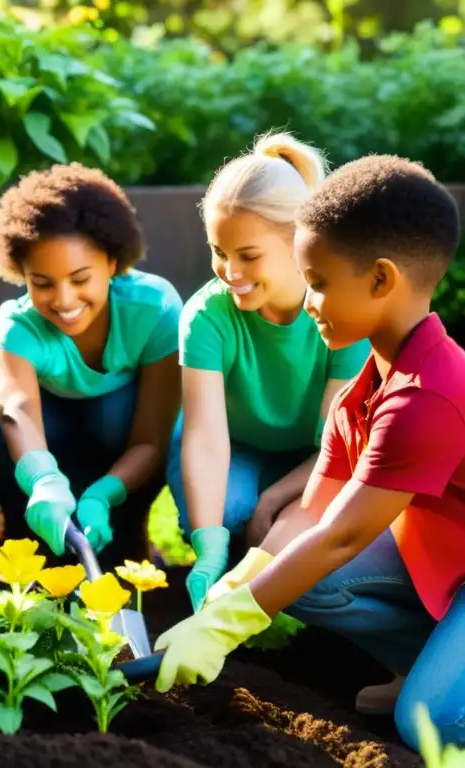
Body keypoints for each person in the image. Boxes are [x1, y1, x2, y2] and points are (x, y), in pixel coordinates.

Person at [153, 154, 465, 753]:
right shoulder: (364, 388)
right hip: (443, 553)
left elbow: (342, 537)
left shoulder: (427, 397)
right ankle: (438, 666)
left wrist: (227, 626)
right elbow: (310, 512)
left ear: (380, 279)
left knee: (428, 723)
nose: (310, 302)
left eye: (318, 283)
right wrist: (231, 590)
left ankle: (441, 687)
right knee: (298, 577)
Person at [167, 132, 371, 611]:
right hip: (234, 447)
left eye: (248, 256)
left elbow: (336, 446)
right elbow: (204, 436)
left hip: (312, 457)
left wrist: (274, 500)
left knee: (284, 533)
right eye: (219, 251)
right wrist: (208, 547)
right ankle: (223, 580)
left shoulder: (338, 314)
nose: (228, 270)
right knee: (228, 511)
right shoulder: (206, 317)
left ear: (298, 242)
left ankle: (262, 602)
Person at [0, 163, 183, 564]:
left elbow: (154, 435)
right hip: (51, 433)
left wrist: (104, 493)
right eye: (42, 283)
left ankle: (130, 533)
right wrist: (43, 479)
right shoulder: (16, 328)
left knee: (116, 414)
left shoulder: (153, 308)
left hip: (123, 439)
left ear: (112, 263)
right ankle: (29, 535)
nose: (63, 299)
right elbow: (16, 410)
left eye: (80, 279)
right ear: (21, 274)